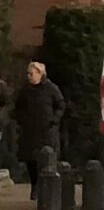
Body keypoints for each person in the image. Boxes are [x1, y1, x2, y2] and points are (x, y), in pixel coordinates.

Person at [15, 62, 65, 198]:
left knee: (47, 158)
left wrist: (54, 120)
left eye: (32, 74)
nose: (29, 77)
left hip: (47, 131)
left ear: (40, 74)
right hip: (30, 131)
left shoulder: (51, 89)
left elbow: (60, 105)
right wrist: (22, 121)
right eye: (28, 74)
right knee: (30, 160)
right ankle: (35, 186)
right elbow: (18, 107)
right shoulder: (25, 90)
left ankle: (46, 188)